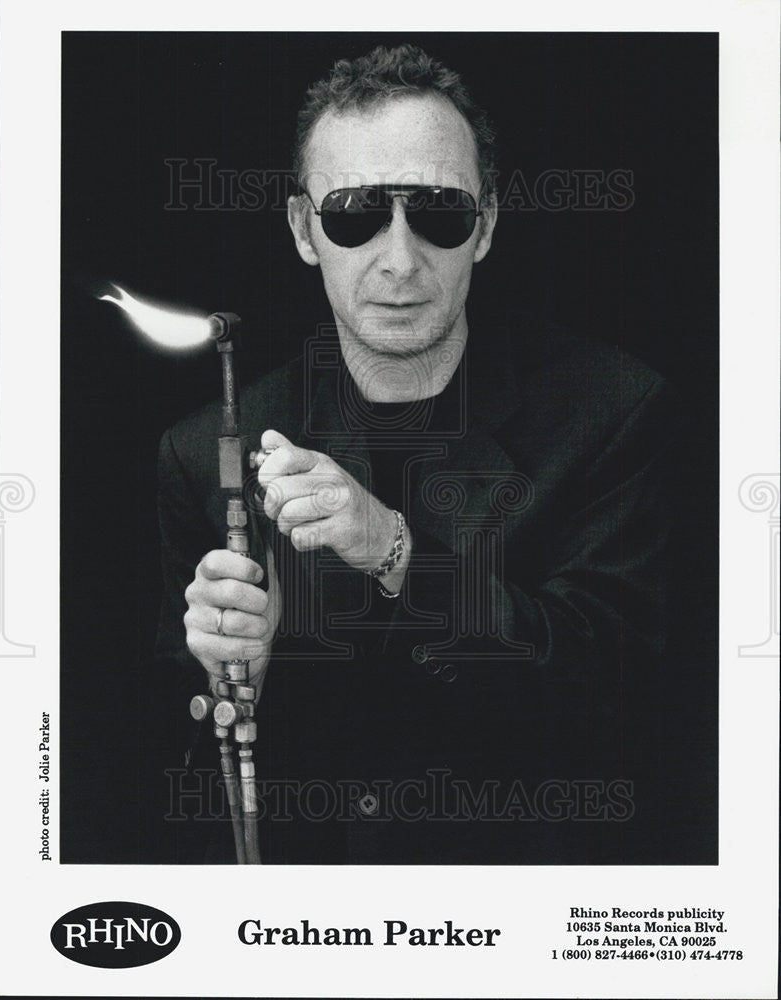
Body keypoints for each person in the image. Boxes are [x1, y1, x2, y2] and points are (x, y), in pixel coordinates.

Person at [155, 44, 677, 864]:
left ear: (486, 227)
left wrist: (392, 548)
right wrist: (237, 684)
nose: (399, 259)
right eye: (355, 213)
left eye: (440, 212)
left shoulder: (611, 410)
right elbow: (164, 773)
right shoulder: (202, 451)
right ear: (303, 229)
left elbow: (618, 698)